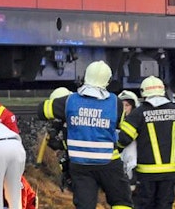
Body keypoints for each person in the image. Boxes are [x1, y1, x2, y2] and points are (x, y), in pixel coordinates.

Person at [38, 60, 133, 209]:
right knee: (122, 201)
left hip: (80, 165)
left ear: (86, 77)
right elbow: (120, 126)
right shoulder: (116, 103)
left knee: (85, 205)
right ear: (107, 81)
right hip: (108, 162)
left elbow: (41, 110)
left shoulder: (69, 101)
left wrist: (63, 116)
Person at [117, 76, 175, 209]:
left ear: (143, 92)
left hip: (146, 174)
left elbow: (123, 139)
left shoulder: (139, 113)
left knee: (146, 205)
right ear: (162, 90)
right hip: (170, 172)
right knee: (164, 205)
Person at [44, 87, 73, 192]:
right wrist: (55, 128)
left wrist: (60, 145)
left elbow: (78, 143)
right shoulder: (68, 114)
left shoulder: (75, 119)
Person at [116, 90, 139, 192]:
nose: (124, 108)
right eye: (122, 105)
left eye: (127, 105)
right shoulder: (112, 123)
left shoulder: (137, 124)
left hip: (131, 164)